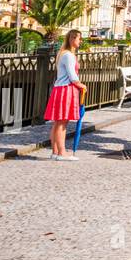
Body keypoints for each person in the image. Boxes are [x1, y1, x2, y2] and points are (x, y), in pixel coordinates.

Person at [44, 29, 87, 161]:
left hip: (60, 89)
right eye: (79, 38)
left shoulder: (62, 53)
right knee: (62, 122)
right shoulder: (68, 55)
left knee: (58, 122)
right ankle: (61, 152)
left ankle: (55, 152)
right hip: (66, 90)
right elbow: (72, 75)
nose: (81, 41)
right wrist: (81, 85)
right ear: (72, 39)